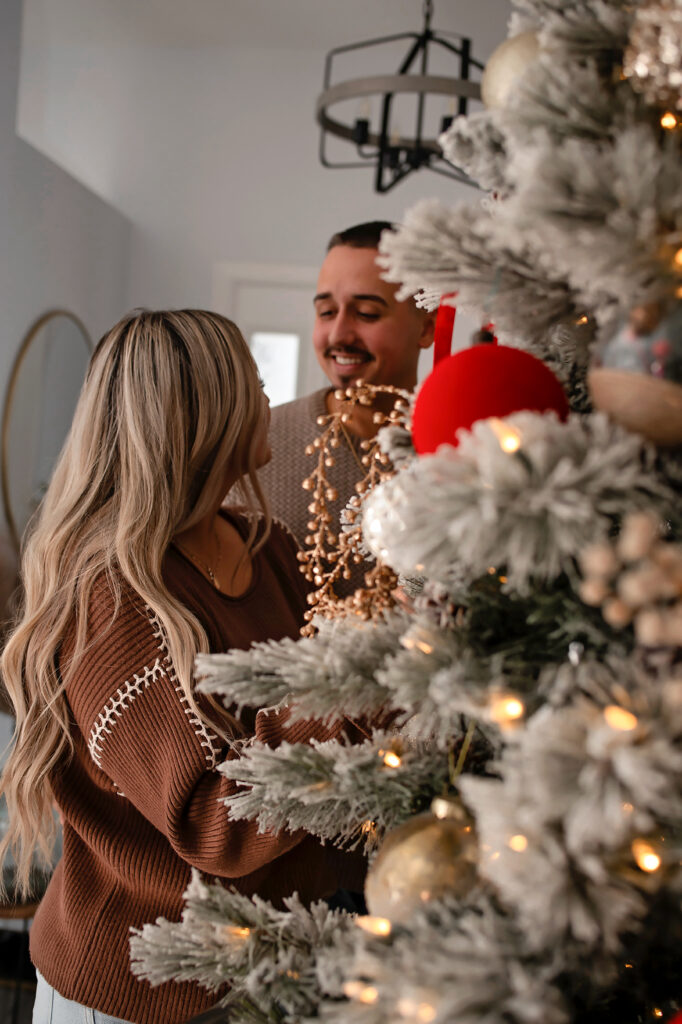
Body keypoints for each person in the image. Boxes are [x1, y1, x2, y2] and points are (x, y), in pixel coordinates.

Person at [0, 310, 368, 1024]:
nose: (269, 403)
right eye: (253, 386)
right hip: (135, 988)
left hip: (265, 968)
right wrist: (350, 683)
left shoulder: (268, 547)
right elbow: (214, 826)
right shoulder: (116, 604)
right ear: (205, 416)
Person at [257, 221, 436, 595]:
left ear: (426, 327)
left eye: (367, 313)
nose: (338, 335)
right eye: (325, 312)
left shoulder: (463, 449)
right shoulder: (255, 444)